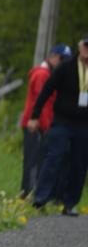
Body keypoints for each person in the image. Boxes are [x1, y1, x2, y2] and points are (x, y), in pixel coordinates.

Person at [28, 36, 88, 216]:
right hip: (62, 121)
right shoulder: (66, 67)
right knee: (54, 156)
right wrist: (35, 116)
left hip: (84, 125)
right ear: (80, 47)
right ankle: (40, 198)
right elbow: (47, 90)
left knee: (79, 164)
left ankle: (69, 203)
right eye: (86, 46)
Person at [19, 44, 72, 199]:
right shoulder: (42, 75)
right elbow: (40, 102)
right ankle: (27, 194)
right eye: (61, 59)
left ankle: (32, 193)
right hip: (35, 125)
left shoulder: (50, 74)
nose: (63, 62)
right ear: (53, 57)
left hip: (43, 124)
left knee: (39, 159)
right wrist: (41, 123)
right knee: (32, 161)